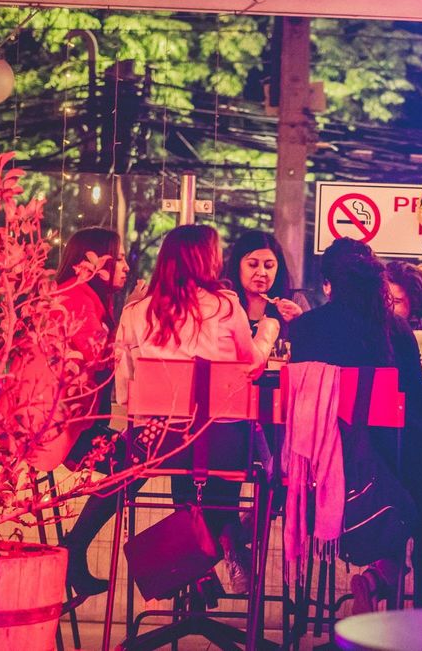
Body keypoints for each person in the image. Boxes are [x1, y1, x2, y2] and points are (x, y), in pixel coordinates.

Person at [115, 224, 276, 594]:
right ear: (206, 259)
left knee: (186, 450)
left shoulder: (137, 311)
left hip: (161, 445)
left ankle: (195, 567)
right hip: (224, 446)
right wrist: (268, 331)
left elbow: (125, 393)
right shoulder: (226, 306)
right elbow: (252, 365)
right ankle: (226, 541)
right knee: (230, 440)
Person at [287, 237, 422, 614]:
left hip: (317, 469)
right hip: (385, 467)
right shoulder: (396, 329)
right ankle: (386, 576)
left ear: (328, 284)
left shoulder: (305, 328)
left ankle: (369, 581)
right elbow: (416, 397)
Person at [26, 227, 139, 599]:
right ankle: (74, 548)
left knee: (136, 461)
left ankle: (74, 547)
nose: (125, 266)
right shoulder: (76, 298)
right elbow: (101, 361)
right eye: (117, 258)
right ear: (90, 264)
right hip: (63, 427)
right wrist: (133, 316)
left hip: (71, 424)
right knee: (136, 464)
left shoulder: (83, 298)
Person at [223, 230, 310, 345]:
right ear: (237, 266)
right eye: (252, 264)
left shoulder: (295, 300)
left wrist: (300, 321)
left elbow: (313, 347)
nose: (261, 272)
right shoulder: (223, 302)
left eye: (269, 266)